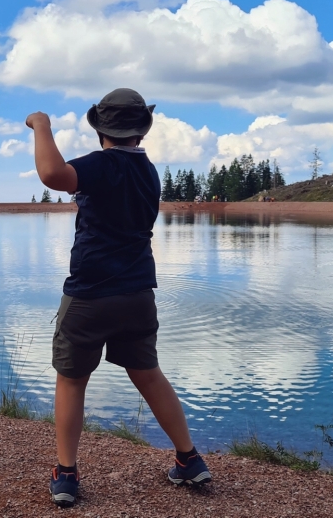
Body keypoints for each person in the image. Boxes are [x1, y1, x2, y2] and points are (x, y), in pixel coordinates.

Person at [26, 88, 211, 508]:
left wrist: (42, 125)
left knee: (72, 381)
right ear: (141, 131)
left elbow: (53, 175)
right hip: (138, 293)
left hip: (90, 294)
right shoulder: (148, 172)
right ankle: (188, 458)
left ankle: (67, 474)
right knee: (148, 372)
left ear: (99, 129)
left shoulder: (102, 164)